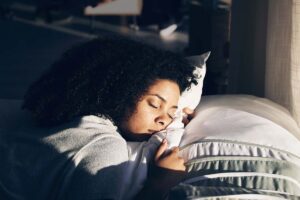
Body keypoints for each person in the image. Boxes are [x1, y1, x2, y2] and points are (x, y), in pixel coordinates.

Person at [0, 36, 197, 199]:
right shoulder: (103, 148)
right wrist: (159, 185)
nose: (164, 120)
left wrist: (178, 121)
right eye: (154, 104)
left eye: (171, 112)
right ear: (121, 92)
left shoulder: (47, 119)